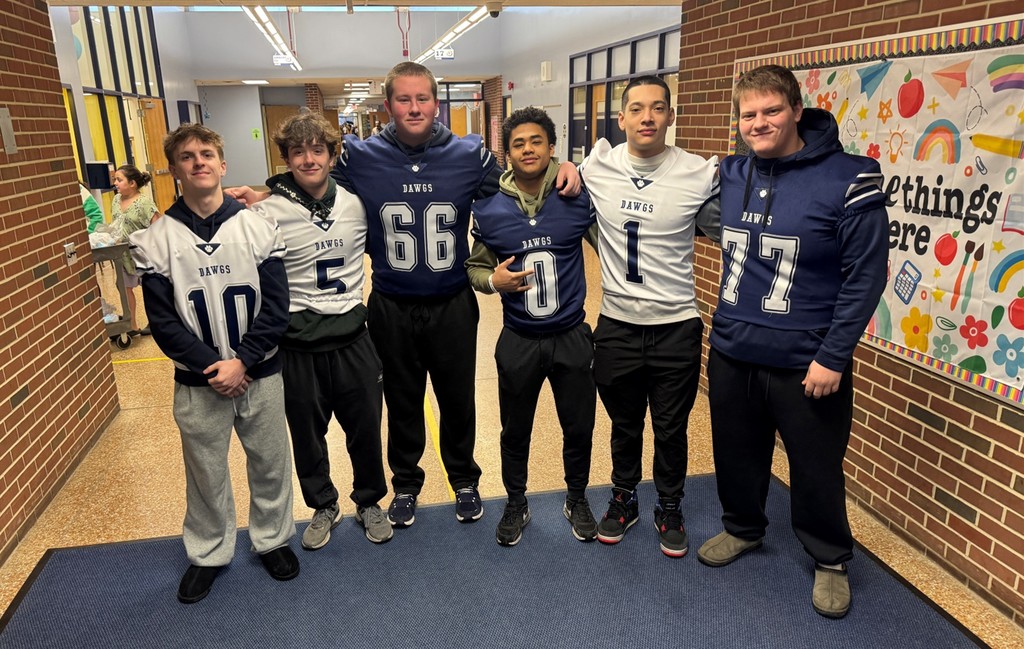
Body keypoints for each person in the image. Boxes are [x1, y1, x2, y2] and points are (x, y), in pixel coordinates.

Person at [232, 62, 580, 528]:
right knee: (402, 399)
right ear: (388, 105)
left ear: (436, 103)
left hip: (452, 299)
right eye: (404, 99)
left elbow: (519, 179)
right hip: (391, 302)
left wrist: (567, 166)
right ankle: (407, 483)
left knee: (458, 398)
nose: (414, 108)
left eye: (422, 99)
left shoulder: (469, 154)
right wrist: (266, 196)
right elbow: (315, 185)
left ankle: (464, 480)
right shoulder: (361, 157)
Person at [697, 65, 888, 619]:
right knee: (735, 452)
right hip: (733, 348)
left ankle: (829, 557)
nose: (759, 123)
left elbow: (866, 275)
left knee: (815, 464)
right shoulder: (730, 172)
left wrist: (834, 354)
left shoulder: (849, 177)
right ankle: (744, 528)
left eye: (771, 111)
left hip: (808, 360)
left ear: (797, 110)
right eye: (748, 114)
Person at [130, 124, 299, 604]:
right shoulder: (156, 239)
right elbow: (163, 322)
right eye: (187, 156)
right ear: (174, 169)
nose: (198, 162)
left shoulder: (258, 226)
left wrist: (242, 361)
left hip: (260, 372)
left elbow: (276, 307)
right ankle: (208, 553)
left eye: (207, 154)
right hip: (198, 380)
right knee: (205, 470)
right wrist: (215, 367)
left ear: (223, 165)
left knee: (269, 461)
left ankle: (271, 540)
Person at [580, 75, 720, 558]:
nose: (647, 117)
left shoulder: (698, 173)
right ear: (621, 119)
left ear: (671, 116)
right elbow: (563, 183)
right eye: (636, 109)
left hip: (676, 323)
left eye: (657, 108)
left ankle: (670, 504)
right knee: (624, 423)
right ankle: (624, 498)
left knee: (670, 426)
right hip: (617, 324)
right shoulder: (597, 166)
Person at [252, 110, 392, 548]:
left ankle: (369, 501)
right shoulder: (266, 210)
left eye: (317, 150)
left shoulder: (355, 201)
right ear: (286, 158)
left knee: (365, 428)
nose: (308, 159)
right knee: (307, 435)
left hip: (353, 339)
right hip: (298, 347)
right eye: (298, 151)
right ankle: (323, 504)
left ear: (333, 155)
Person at [466, 107, 598, 547]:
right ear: (508, 152)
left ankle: (576, 497)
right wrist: (493, 281)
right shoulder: (488, 209)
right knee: (515, 429)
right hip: (519, 338)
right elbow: (475, 269)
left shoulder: (577, 198)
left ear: (551, 147)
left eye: (536, 141)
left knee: (578, 425)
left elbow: (614, 245)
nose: (528, 149)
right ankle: (516, 501)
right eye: (519, 143)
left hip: (571, 335)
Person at [111, 164, 159, 336]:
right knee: (123, 286)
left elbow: (157, 226)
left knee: (150, 287)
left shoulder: (144, 203)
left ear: (132, 183)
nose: (115, 183)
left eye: (119, 179)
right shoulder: (116, 200)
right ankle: (132, 325)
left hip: (143, 252)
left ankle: (155, 322)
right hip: (122, 253)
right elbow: (116, 224)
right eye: (115, 179)